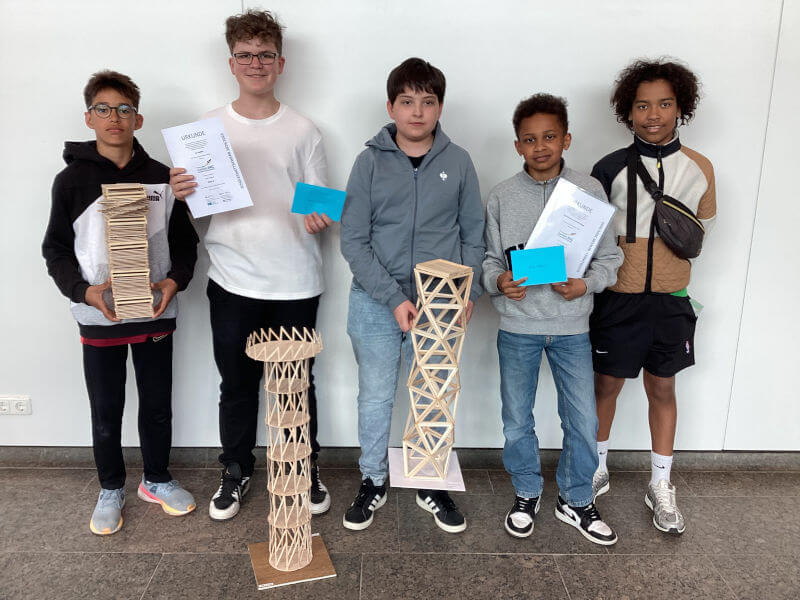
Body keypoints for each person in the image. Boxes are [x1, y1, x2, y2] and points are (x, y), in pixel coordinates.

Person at [169, 10, 332, 521]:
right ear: (231, 63)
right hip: (232, 278)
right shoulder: (205, 130)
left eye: (265, 54)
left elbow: (320, 203)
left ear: (280, 63)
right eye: (246, 55)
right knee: (236, 385)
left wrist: (319, 217)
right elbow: (195, 214)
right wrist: (182, 195)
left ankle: (302, 467)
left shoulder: (304, 130)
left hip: (295, 281)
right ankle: (236, 469)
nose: (256, 63)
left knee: (296, 386)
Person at [42, 70, 199, 535]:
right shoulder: (70, 181)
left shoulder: (163, 179)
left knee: (157, 403)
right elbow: (55, 250)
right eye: (104, 109)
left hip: (154, 312)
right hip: (99, 315)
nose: (115, 117)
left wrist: (175, 282)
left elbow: (185, 244)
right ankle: (111, 487)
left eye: (125, 109)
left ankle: (157, 479)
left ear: (139, 119)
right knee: (106, 408)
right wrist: (83, 291)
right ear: (89, 117)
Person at [340, 57, 485, 534]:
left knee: (433, 398)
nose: (417, 111)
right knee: (376, 397)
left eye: (427, 101)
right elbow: (353, 241)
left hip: (440, 301)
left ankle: (430, 481)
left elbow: (473, 235)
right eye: (407, 102)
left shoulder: (459, 162)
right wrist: (391, 297)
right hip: (375, 301)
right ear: (391, 107)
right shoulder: (368, 162)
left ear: (440, 107)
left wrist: (465, 291)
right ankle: (373, 479)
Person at [482, 93, 622, 545]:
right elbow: (489, 259)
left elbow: (610, 257)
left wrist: (587, 284)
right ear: (517, 146)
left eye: (549, 137)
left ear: (566, 139)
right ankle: (526, 491)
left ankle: (576, 498)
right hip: (517, 327)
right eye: (529, 139)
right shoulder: (501, 196)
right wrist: (499, 281)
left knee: (582, 421)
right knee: (516, 420)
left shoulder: (588, 191)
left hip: (571, 327)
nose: (540, 146)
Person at [590, 59, 716, 534]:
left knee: (663, 388)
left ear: (680, 107)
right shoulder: (608, 168)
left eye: (664, 104)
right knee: (605, 386)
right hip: (617, 299)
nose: (653, 114)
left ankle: (660, 484)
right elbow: (590, 236)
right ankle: (596, 468)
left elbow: (700, 232)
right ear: (628, 111)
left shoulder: (700, 168)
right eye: (642, 105)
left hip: (670, 300)